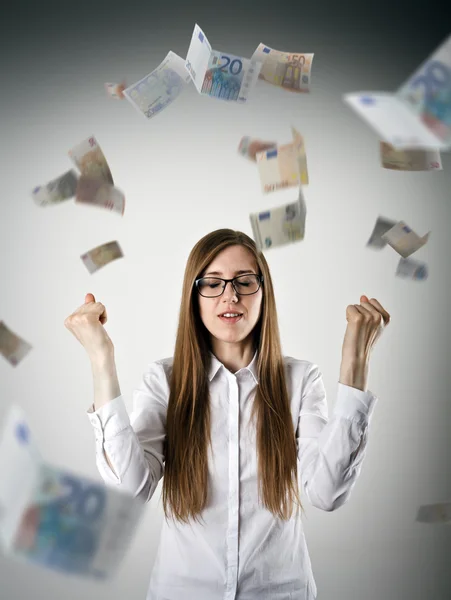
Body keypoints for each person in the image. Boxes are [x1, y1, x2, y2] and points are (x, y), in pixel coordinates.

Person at [64, 228, 390, 600]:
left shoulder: (300, 380)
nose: (230, 295)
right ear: (194, 296)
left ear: (264, 292)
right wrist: (101, 359)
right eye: (213, 283)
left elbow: (327, 493)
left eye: (244, 281)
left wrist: (355, 364)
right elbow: (131, 488)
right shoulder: (165, 380)